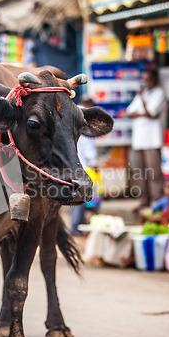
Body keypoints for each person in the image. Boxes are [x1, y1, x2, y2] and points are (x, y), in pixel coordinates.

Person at [126, 69, 167, 209]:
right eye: (144, 79)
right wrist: (142, 111)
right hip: (139, 141)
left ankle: (157, 198)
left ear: (154, 80)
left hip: (153, 139)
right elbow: (129, 112)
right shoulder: (141, 94)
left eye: (148, 79)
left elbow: (151, 112)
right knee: (140, 172)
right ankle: (144, 200)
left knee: (154, 171)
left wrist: (142, 103)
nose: (145, 82)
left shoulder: (159, 93)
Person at [70, 97, 99, 236]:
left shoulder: (71, 112)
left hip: (71, 163)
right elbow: (88, 143)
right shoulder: (84, 116)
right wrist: (94, 162)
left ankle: (78, 225)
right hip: (82, 164)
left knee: (78, 196)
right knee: (81, 196)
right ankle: (76, 227)